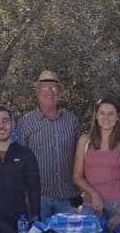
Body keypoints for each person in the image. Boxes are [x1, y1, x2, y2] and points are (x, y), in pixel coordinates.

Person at [17, 70, 83, 219]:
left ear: (59, 92)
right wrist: (25, 196)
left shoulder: (71, 120)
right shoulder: (26, 122)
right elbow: (20, 163)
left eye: (54, 88)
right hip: (39, 198)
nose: (50, 92)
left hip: (68, 197)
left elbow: (82, 156)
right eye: (45, 87)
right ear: (37, 92)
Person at [72, 97, 120, 233]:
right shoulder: (84, 142)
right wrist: (93, 194)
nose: (106, 117)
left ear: (118, 117)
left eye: (111, 113)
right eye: (102, 113)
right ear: (96, 116)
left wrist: (119, 214)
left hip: (118, 205)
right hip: (91, 204)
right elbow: (77, 176)